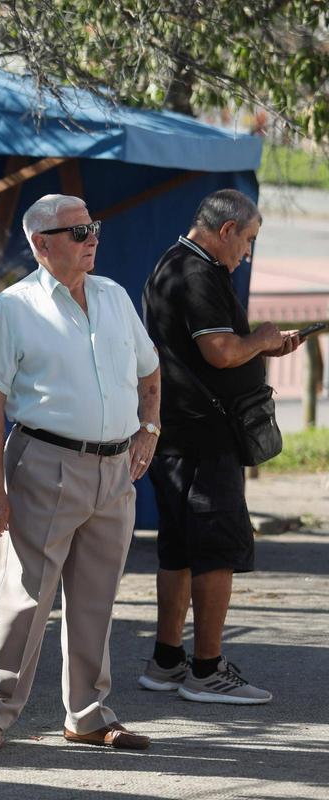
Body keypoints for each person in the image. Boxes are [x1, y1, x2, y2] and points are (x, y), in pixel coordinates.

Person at [0, 194, 161, 752]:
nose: (92, 238)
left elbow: (151, 372)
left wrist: (150, 429)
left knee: (96, 598)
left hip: (114, 468)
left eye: (93, 226)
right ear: (40, 244)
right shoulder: (14, 306)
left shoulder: (114, 295)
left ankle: (88, 715)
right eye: (78, 232)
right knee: (23, 597)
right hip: (44, 460)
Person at [140, 189, 302, 704]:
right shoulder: (197, 272)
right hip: (204, 438)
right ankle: (207, 669)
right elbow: (221, 350)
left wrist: (263, 346)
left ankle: (167, 660)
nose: (247, 253)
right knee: (215, 552)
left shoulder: (173, 262)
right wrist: (263, 339)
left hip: (177, 434)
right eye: (247, 240)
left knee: (179, 550)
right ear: (226, 229)